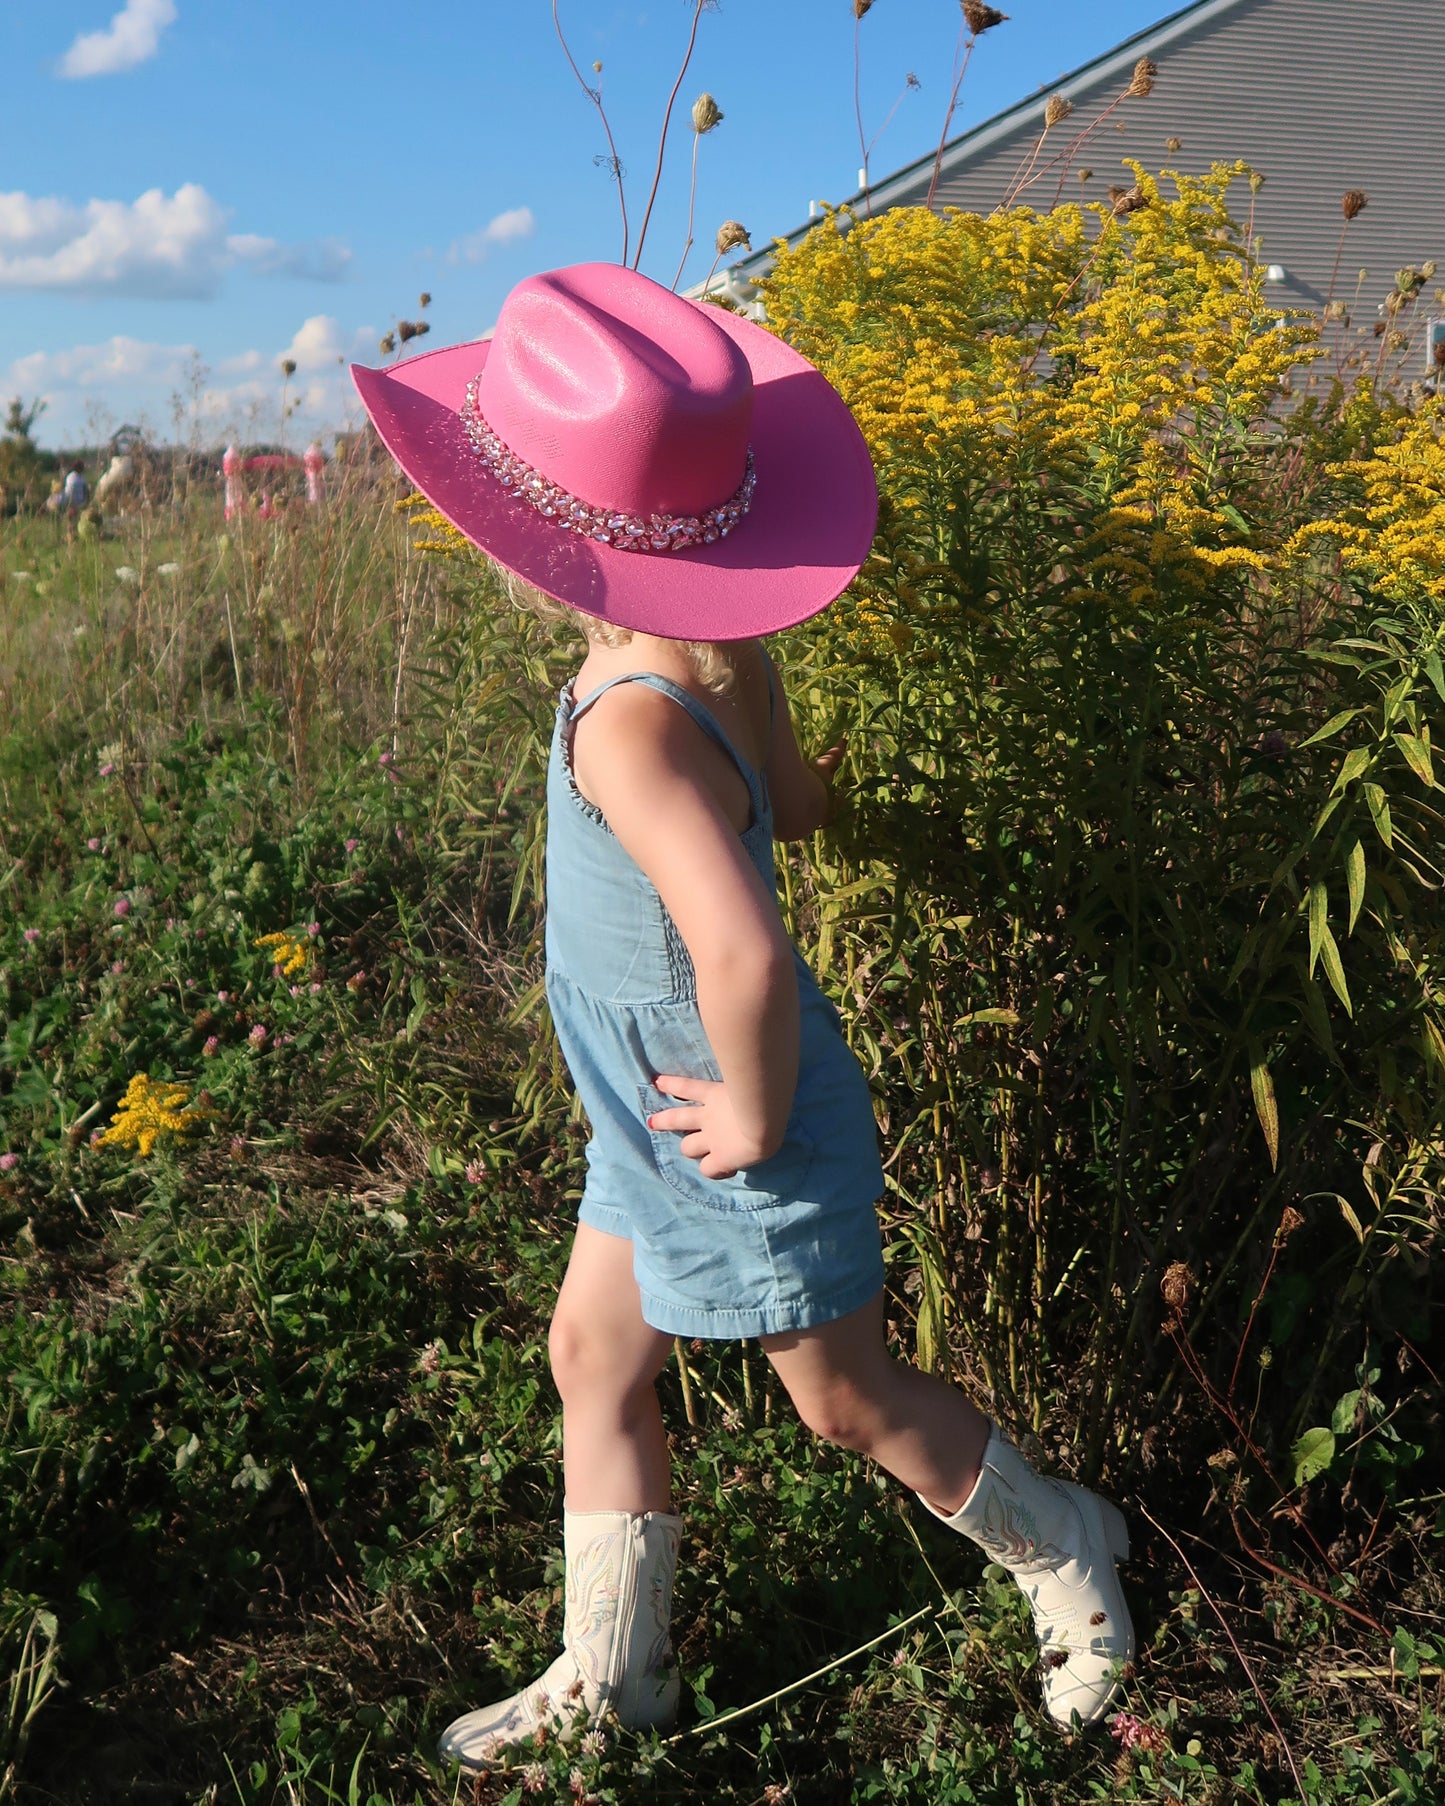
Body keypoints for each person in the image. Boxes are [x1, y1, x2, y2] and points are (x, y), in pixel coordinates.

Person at [351, 263, 1134, 1770]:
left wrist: (756, 1117)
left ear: (549, 539)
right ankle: (611, 1674)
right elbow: (804, 803)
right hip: (652, 1106)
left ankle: (1068, 1552)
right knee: (595, 1355)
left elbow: (749, 958)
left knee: (841, 1400)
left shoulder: (630, 727)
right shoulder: (708, 662)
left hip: (727, 1117)